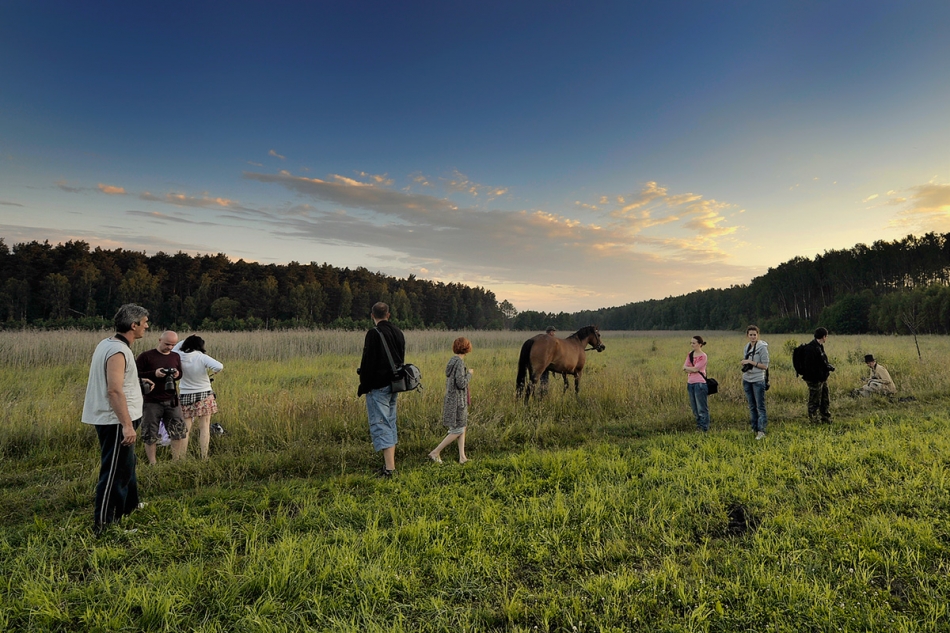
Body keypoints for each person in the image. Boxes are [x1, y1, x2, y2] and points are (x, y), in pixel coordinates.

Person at [81, 303, 150, 534]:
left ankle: (130, 506)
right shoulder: (118, 351)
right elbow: (113, 390)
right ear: (133, 325)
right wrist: (127, 426)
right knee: (113, 472)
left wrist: (139, 383)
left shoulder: (108, 344)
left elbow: (117, 382)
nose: (147, 326)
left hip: (119, 418)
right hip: (115, 420)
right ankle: (104, 526)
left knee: (127, 464)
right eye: (144, 322)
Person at [357, 302, 406, 478]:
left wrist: (364, 384)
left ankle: (389, 470)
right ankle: (389, 465)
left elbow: (368, 362)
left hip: (378, 386)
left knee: (381, 424)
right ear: (388, 315)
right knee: (390, 422)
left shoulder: (374, 333)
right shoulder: (398, 332)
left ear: (372, 315)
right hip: (395, 384)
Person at [136, 330, 187, 463]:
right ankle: (152, 463)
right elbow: (135, 374)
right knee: (150, 433)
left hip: (172, 400)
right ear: (160, 340)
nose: (170, 347)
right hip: (151, 401)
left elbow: (180, 373)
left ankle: (176, 461)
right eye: (167, 344)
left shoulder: (175, 356)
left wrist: (177, 374)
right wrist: (154, 374)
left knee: (177, 431)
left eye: (173, 345)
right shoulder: (146, 356)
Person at [173, 334, 223, 459]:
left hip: (185, 394)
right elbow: (219, 366)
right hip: (204, 394)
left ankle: (182, 457)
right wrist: (215, 371)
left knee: (186, 429)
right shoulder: (201, 357)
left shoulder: (178, 356)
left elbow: (174, 349)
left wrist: (184, 341)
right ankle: (203, 456)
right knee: (204, 427)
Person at [429, 337, 474, 464]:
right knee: (458, 430)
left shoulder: (452, 361)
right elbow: (461, 383)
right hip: (458, 402)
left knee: (462, 426)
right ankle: (435, 452)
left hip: (453, 400)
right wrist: (469, 374)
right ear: (467, 348)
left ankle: (462, 457)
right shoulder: (459, 363)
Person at [740, 325, 770, 440]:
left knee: (760, 406)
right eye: (750, 335)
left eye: (754, 334)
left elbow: (765, 366)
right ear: (747, 335)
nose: (752, 337)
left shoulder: (762, 348)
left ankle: (761, 430)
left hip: (758, 379)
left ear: (758, 335)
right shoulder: (747, 347)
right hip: (747, 379)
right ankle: (754, 427)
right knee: (752, 405)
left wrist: (751, 362)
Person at [800, 327, 834, 423]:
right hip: (814, 379)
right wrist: (818, 375)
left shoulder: (819, 346)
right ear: (823, 337)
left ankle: (825, 417)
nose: (826, 338)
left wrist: (827, 367)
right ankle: (814, 419)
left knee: (825, 399)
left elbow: (821, 362)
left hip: (822, 378)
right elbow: (810, 366)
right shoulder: (810, 348)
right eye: (826, 336)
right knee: (814, 400)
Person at [683, 335, 710, 432]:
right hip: (690, 383)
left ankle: (704, 428)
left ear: (700, 344)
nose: (692, 345)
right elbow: (684, 367)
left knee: (701, 408)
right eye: (691, 343)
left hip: (700, 383)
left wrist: (689, 369)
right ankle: (699, 426)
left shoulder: (703, 356)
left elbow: (695, 369)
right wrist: (690, 369)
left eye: (694, 343)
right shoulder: (690, 354)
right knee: (694, 408)